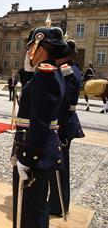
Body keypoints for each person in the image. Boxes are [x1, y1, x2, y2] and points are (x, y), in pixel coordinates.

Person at [11, 26, 67, 228]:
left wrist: (27, 157)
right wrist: (28, 72)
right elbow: (35, 97)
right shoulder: (51, 72)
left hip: (34, 149)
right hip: (42, 147)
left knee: (29, 211)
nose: (28, 53)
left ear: (39, 48)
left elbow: (40, 122)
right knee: (36, 206)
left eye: (30, 48)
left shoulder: (45, 75)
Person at [49, 40, 85, 218]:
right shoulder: (72, 69)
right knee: (58, 166)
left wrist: (55, 125)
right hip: (64, 124)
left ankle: (58, 205)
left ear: (62, 57)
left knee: (60, 167)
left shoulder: (67, 72)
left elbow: (63, 102)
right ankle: (57, 202)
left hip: (63, 125)